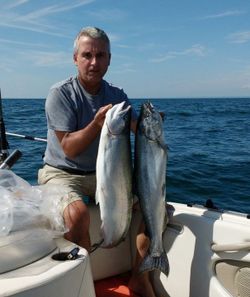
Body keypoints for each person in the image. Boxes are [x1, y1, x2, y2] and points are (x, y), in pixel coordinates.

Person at [38, 26, 156, 297]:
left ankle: (140, 277)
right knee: (77, 215)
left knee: (155, 209)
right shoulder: (61, 94)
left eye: (100, 55)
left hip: (108, 174)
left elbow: (138, 129)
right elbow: (68, 148)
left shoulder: (117, 96)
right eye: (87, 55)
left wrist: (152, 128)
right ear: (75, 58)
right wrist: (96, 124)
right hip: (62, 173)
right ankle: (81, 288)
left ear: (110, 59)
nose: (94, 62)